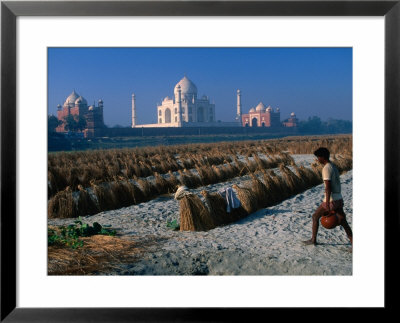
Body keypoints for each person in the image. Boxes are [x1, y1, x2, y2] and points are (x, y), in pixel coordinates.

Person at [303, 147, 353, 246]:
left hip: (331, 199)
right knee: (343, 221)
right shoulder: (333, 166)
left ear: (323, 157)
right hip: (339, 198)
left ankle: (313, 240)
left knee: (315, 216)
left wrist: (327, 203)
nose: (317, 160)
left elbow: (328, 187)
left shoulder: (326, 169)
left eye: (318, 157)